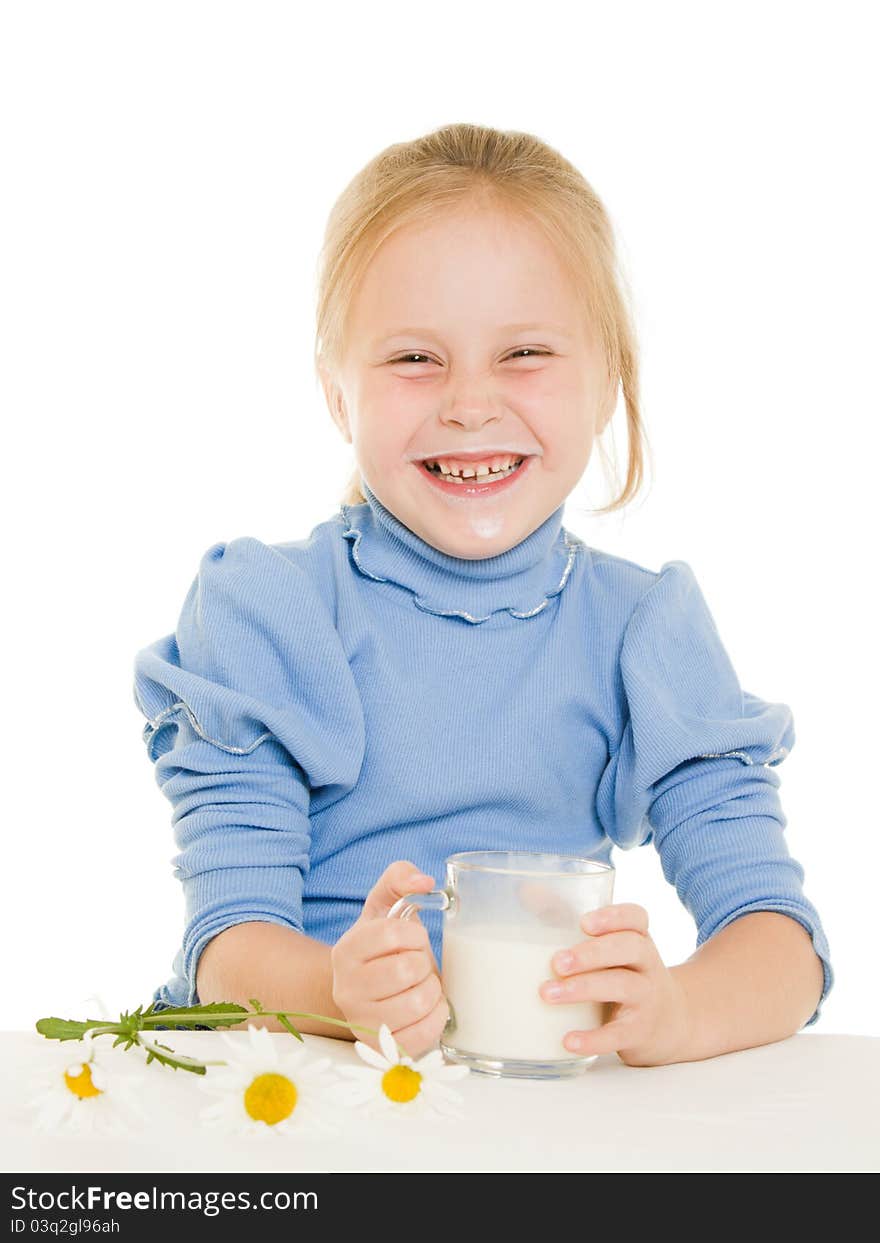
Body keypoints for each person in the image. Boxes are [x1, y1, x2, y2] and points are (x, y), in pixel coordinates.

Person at [133, 122, 831, 1067]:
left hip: (533, 1122)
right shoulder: (273, 609)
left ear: (606, 381)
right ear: (337, 391)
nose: (470, 402)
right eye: (415, 358)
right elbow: (226, 950)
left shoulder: (639, 628)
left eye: (526, 354)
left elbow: (781, 946)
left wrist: (678, 1010)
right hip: (302, 1090)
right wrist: (336, 992)